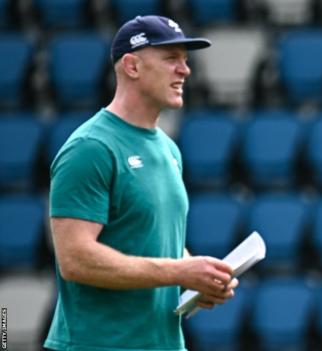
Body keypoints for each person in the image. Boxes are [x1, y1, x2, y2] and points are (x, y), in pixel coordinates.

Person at [44, 15, 238, 351]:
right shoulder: (90, 148)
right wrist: (180, 271)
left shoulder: (168, 149)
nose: (185, 70)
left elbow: (157, 238)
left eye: (186, 61)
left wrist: (198, 281)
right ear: (132, 66)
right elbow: (75, 259)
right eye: (170, 59)